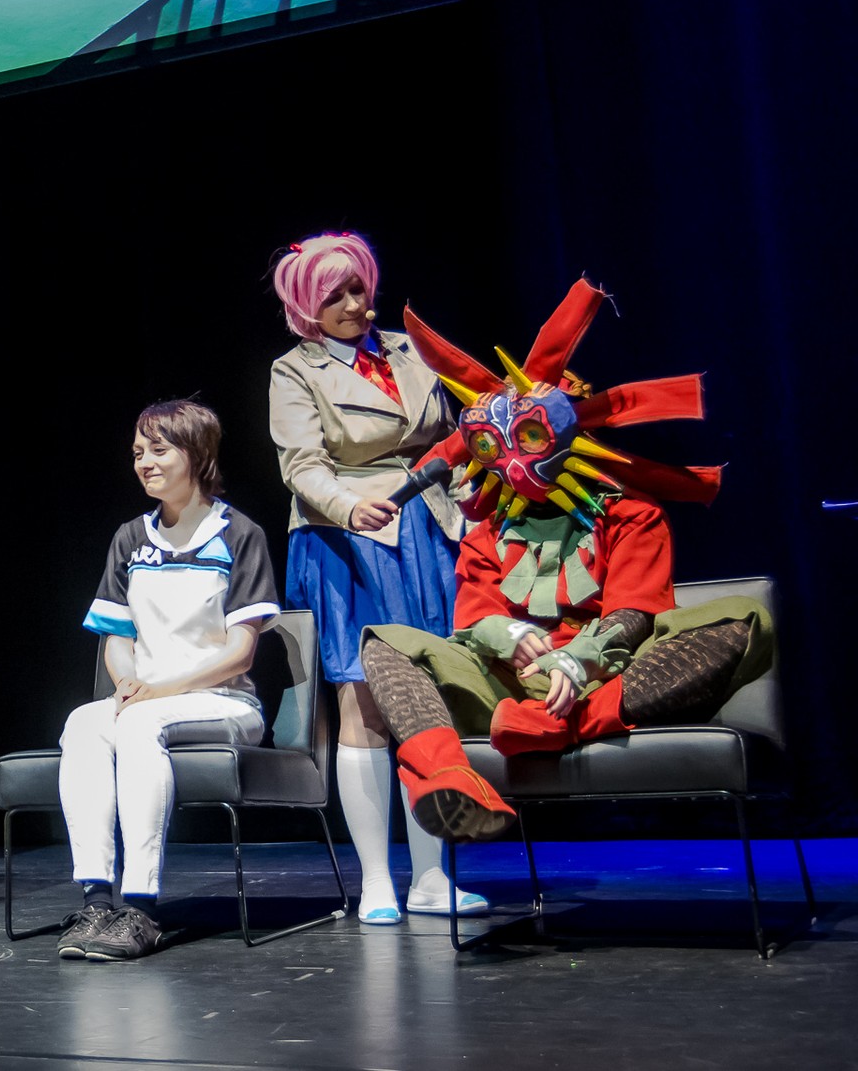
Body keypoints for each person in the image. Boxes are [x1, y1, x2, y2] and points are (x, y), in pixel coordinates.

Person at [359, 280, 773, 844]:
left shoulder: (630, 514)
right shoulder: (489, 531)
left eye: (529, 435)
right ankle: (448, 777)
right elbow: (474, 616)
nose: (512, 461)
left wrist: (580, 662)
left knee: (744, 618)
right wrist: (505, 634)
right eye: (492, 446)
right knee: (384, 644)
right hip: (506, 684)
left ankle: (560, 724)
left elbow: (634, 612)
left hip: (610, 679)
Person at [267, 233, 487, 925]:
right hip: (350, 539)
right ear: (307, 305)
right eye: (332, 295)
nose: (351, 303)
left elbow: (454, 436)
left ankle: (432, 877)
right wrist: (346, 506)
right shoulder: (293, 369)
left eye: (357, 287)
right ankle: (376, 882)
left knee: (429, 697)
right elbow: (301, 465)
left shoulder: (408, 349)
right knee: (363, 702)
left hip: (429, 529)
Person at [55, 400, 280, 963]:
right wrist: (129, 682)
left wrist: (160, 692)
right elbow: (117, 638)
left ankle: (141, 907)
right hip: (149, 700)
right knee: (82, 723)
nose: (145, 463)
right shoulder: (131, 537)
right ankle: (96, 900)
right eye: (138, 452)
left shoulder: (239, 534)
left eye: (159, 450)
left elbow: (239, 653)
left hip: (223, 702)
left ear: (197, 454)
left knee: (138, 725)